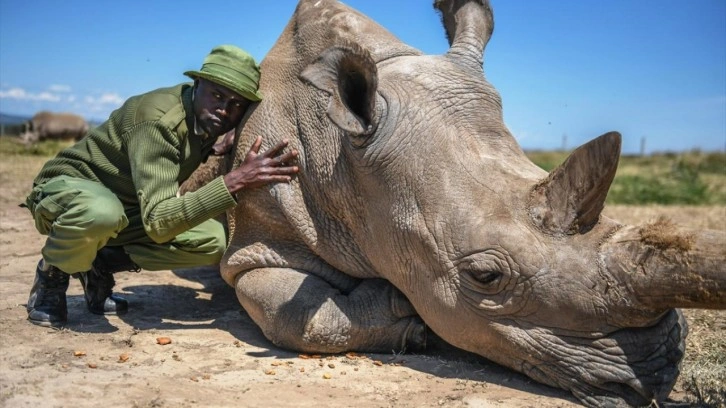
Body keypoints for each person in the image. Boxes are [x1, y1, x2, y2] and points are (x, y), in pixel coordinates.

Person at [23, 45, 299, 327]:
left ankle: (99, 263)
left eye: (237, 105)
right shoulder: (158, 122)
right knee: (101, 213)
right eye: (217, 95)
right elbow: (158, 221)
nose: (225, 110)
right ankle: (51, 278)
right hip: (66, 193)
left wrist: (211, 148)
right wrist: (235, 180)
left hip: (125, 208)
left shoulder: (200, 121)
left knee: (214, 240)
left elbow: (171, 157)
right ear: (198, 83)